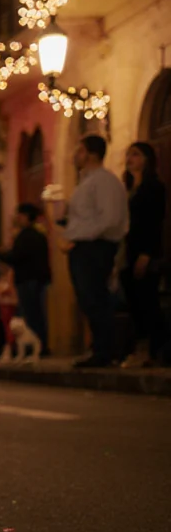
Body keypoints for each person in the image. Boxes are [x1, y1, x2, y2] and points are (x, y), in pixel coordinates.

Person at [50, 135, 129, 367]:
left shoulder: (104, 181)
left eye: (79, 151)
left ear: (91, 154)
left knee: (95, 298)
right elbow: (86, 218)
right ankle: (100, 348)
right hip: (83, 246)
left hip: (95, 248)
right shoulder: (85, 182)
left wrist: (82, 237)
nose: (75, 156)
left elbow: (111, 218)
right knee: (87, 299)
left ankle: (107, 351)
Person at [121, 142, 165, 365]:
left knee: (147, 299)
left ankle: (153, 350)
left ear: (147, 159)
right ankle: (139, 348)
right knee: (134, 301)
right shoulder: (128, 188)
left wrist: (147, 253)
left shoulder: (153, 187)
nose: (130, 159)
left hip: (146, 251)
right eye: (128, 155)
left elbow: (153, 222)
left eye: (136, 155)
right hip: (128, 251)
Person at [0, 203, 51, 355]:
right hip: (38, 280)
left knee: (31, 314)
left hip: (28, 280)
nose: (17, 219)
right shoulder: (40, 235)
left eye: (20, 216)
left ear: (26, 217)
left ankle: (35, 347)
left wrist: (2, 254)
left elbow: (17, 257)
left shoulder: (25, 236)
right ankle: (41, 345)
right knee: (38, 313)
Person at [0, 264, 19, 360]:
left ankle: (9, 348)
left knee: (9, 327)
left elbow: (9, 288)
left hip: (8, 303)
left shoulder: (10, 274)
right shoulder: (1, 276)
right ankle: (7, 347)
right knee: (5, 326)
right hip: (2, 303)